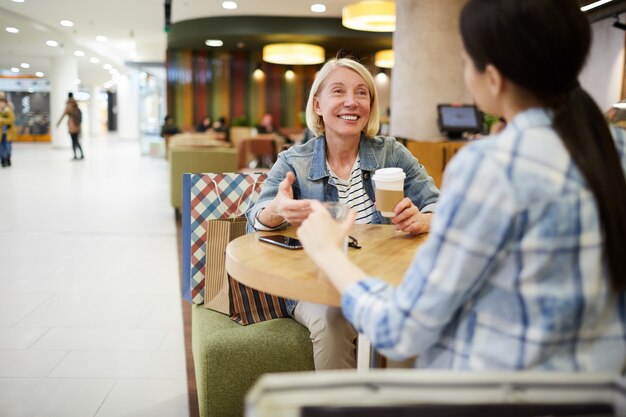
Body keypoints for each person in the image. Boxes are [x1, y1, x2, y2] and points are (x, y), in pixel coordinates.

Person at [296, 0, 626, 372]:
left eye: (466, 59)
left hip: (494, 395)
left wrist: (327, 252)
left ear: (494, 77)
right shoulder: (615, 149)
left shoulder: (487, 165)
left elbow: (400, 329)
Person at [247, 57, 440, 370]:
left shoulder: (390, 152)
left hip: (384, 278)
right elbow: (254, 218)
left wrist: (422, 219)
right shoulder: (294, 160)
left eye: (362, 93)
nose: (352, 102)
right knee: (332, 320)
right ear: (318, 104)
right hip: (315, 282)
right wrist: (276, 209)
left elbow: (439, 206)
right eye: (338, 91)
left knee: (406, 320)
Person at [56, 92, 84, 160]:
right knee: (76, 140)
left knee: (73, 141)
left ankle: (75, 155)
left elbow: (63, 114)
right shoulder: (76, 104)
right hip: (77, 125)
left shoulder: (68, 105)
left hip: (71, 125)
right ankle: (82, 154)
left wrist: (58, 123)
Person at [0, 96, 16, 168]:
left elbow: (11, 120)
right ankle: (3, 160)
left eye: (3, 103)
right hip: (1, 134)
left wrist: (2, 120)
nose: (1, 105)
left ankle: (8, 158)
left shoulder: (9, 111)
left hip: (8, 133)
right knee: (1, 148)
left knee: (8, 147)